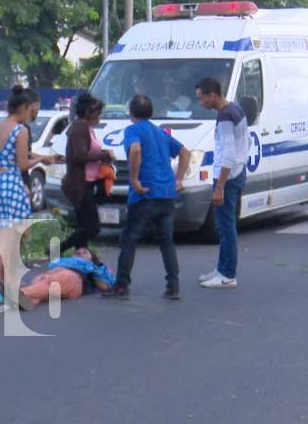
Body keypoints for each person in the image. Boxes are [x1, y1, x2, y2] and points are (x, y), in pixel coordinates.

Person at [102, 95, 190, 301]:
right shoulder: (161, 132)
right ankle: (173, 286)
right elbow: (185, 153)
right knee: (166, 241)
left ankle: (122, 285)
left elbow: (135, 149)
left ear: (130, 113)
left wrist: (134, 179)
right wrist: (178, 179)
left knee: (129, 239)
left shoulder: (132, 130)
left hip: (145, 194)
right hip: (167, 193)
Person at [0, 85, 51, 303]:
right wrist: (42, 160)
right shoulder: (21, 130)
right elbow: (23, 163)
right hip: (11, 183)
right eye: (32, 110)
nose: (32, 114)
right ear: (24, 107)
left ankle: (7, 284)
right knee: (8, 239)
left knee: (11, 236)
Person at [195, 77, 251, 289]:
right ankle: (222, 268)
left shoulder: (225, 117)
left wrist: (219, 186)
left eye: (202, 98)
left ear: (213, 95)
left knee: (226, 226)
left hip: (228, 176)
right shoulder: (236, 110)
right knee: (225, 224)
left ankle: (227, 274)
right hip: (238, 171)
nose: (201, 102)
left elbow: (228, 153)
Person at [59, 93, 114, 255]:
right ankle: (58, 248)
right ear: (89, 112)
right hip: (79, 185)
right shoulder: (79, 128)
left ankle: (80, 260)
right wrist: (105, 155)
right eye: (97, 113)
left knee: (84, 227)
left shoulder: (87, 129)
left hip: (88, 183)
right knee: (92, 227)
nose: (99, 116)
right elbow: (80, 155)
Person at [0, 247, 115, 311]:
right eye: (79, 251)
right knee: (43, 282)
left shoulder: (94, 268)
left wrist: (97, 269)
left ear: (92, 259)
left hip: (75, 278)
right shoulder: (65, 261)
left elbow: (104, 286)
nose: (80, 252)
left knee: (52, 281)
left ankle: (21, 293)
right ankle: (30, 301)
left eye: (86, 252)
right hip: (58, 275)